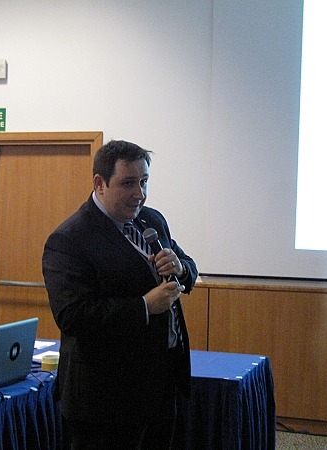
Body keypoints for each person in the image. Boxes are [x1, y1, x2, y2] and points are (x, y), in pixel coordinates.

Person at [42, 140, 198, 449]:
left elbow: (188, 267)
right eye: (128, 183)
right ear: (99, 184)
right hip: (106, 399)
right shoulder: (70, 239)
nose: (139, 193)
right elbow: (72, 315)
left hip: (162, 384)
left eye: (144, 182)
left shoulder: (151, 220)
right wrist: (144, 306)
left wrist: (180, 267)